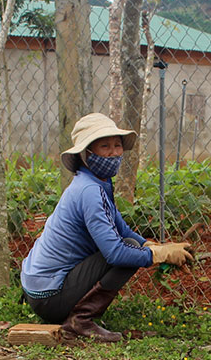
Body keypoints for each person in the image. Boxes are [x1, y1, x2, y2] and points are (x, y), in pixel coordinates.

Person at [20, 113, 193, 342]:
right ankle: (79, 321)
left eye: (117, 145)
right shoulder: (89, 191)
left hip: (40, 289)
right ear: (86, 153)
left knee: (131, 244)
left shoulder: (96, 183)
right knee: (125, 251)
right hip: (48, 297)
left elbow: (122, 230)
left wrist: (155, 246)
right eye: (104, 146)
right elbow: (115, 252)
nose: (113, 152)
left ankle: (78, 316)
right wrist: (157, 255)